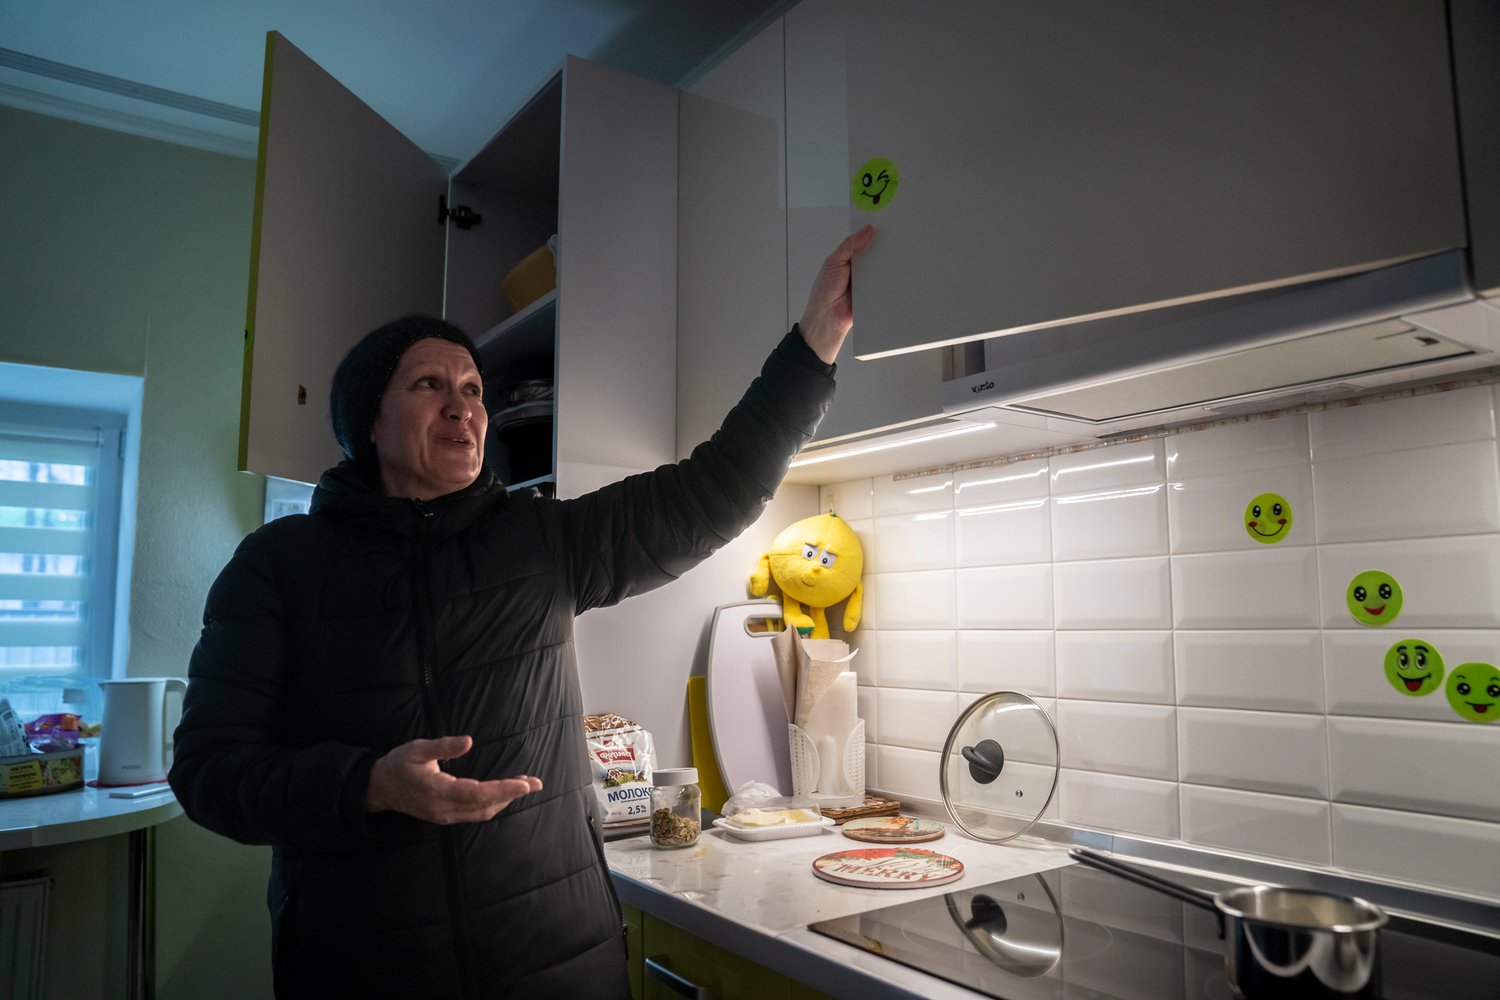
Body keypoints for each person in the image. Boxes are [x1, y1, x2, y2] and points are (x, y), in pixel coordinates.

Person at [169, 225, 876, 998]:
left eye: (473, 390)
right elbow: (209, 773)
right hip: (365, 966)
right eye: (429, 385)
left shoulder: (539, 539)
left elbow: (712, 491)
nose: (462, 408)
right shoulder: (279, 566)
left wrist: (815, 344)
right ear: (368, 422)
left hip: (559, 963)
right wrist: (368, 784)